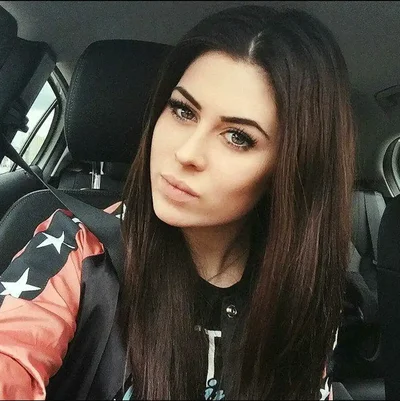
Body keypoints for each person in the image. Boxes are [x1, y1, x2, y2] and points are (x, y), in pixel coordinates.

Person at [0, 4, 355, 400]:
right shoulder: (75, 252)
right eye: (183, 111)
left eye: (238, 137)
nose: (186, 152)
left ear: (289, 169)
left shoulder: (300, 291)